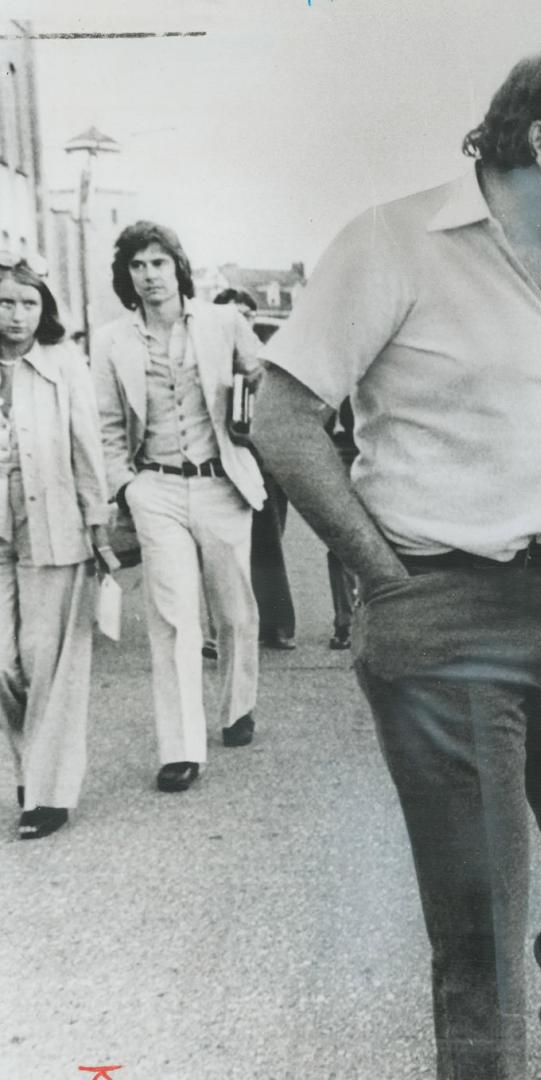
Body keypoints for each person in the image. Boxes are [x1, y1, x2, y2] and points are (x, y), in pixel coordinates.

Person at [252, 49, 541, 1080]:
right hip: (450, 613)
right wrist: (384, 577)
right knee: (476, 922)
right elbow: (285, 419)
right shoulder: (391, 244)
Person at [93, 222, 266, 795]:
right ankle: (180, 748)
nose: (149, 276)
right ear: (127, 277)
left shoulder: (225, 322)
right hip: (157, 487)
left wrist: (252, 395)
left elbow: (263, 380)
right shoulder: (113, 341)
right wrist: (127, 487)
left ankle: (237, 705)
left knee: (234, 607)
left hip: (220, 483)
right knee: (171, 618)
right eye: (138, 267)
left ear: (178, 268)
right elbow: (109, 425)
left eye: (158, 264)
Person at [0, 256, 111, 839]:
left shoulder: (64, 363)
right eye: (5, 302)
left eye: (28, 303)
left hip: (53, 527)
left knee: (49, 664)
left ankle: (48, 792)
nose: (16, 315)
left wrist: (98, 522)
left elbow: (88, 447)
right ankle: (33, 769)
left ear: (44, 311)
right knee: (3, 664)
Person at [214, 287, 296, 651]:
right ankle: (223, 630)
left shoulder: (267, 356)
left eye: (246, 316)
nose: (241, 323)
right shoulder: (207, 360)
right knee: (219, 550)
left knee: (267, 544)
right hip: (219, 462)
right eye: (232, 316)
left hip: (263, 461)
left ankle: (275, 625)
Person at [321, 397, 358, 650]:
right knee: (340, 544)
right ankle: (345, 621)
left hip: (367, 451)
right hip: (339, 452)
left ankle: (350, 620)